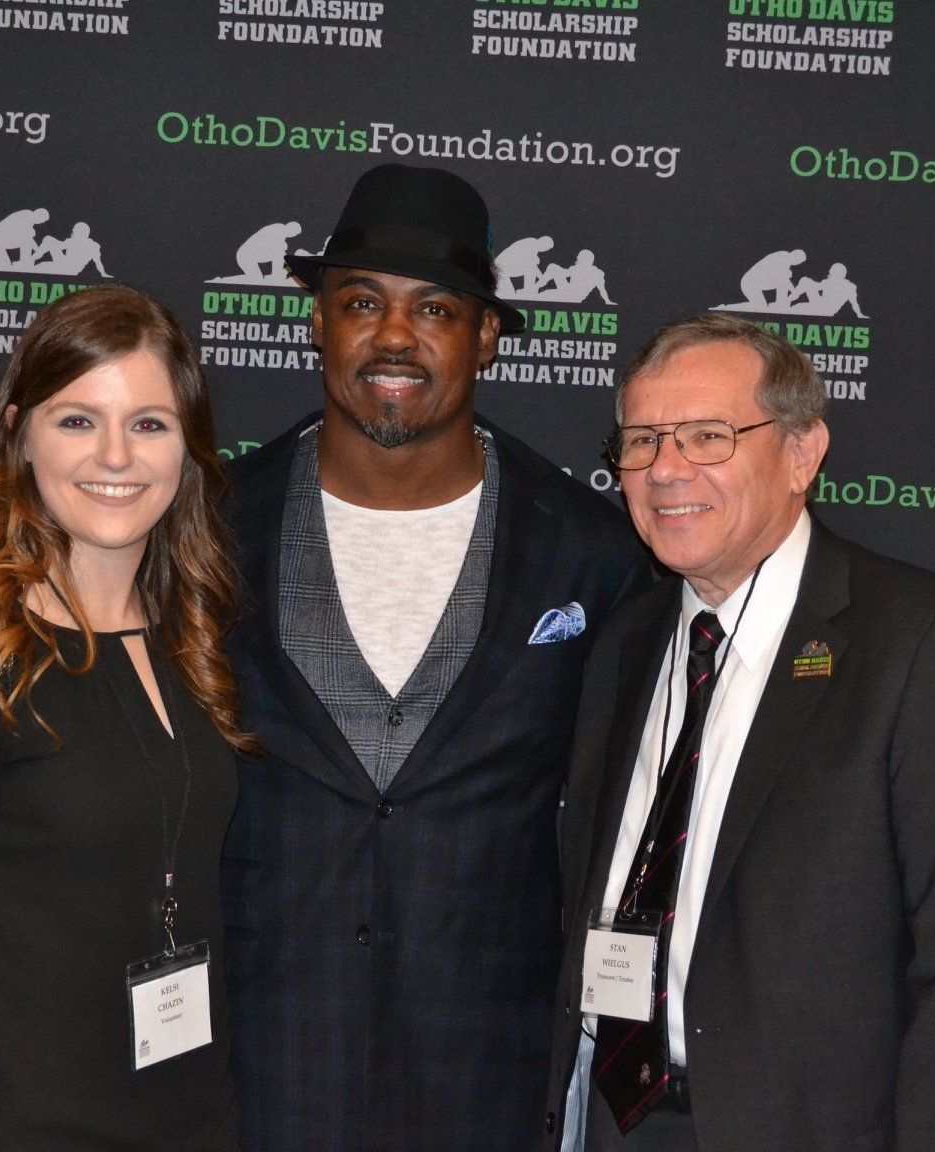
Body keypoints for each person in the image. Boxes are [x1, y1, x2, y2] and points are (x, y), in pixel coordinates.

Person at [222, 163, 650, 1152]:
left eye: (437, 309)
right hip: (258, 1058)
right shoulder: (202, 526)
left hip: (489, 1065)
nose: (395, 337)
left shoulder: (594, 549)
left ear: (487, 336)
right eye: (362, 302)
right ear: (317, 321)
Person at [545, 313, 935, 1150]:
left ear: (803, 454)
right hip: (614, 1120)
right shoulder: (624, 644)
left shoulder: (923, 641)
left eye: (707, 436)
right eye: (641, 441)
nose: (666, 470)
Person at [0, 284, 248, 1152]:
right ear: (21, 433)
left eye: (149, 423)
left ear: (188, 446)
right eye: (77, 421)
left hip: (185, 1120)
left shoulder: (190, 633)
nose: (115, 456)